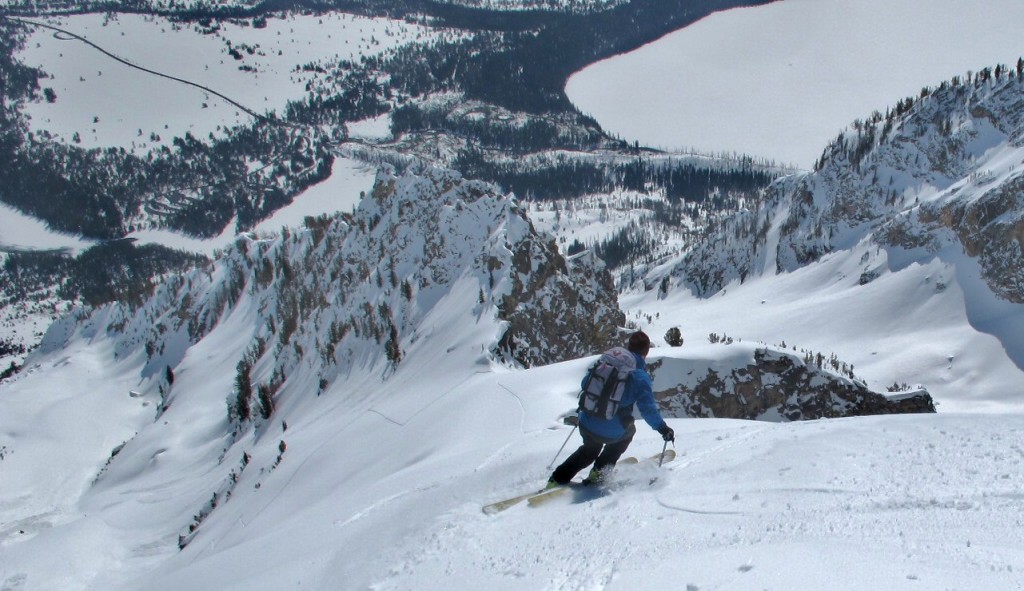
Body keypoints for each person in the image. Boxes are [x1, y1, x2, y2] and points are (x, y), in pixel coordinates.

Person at [548, 330, 674, 487]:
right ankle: (599, 473)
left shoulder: (608, 362)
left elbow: (584, 384)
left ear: (629, 347)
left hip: (586, 421)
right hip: (610, 431)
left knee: (589, 450)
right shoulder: (639, 376)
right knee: (628, 432)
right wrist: (663, 428)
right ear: (646, 352)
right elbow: (647, 410)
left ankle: (557, 478)